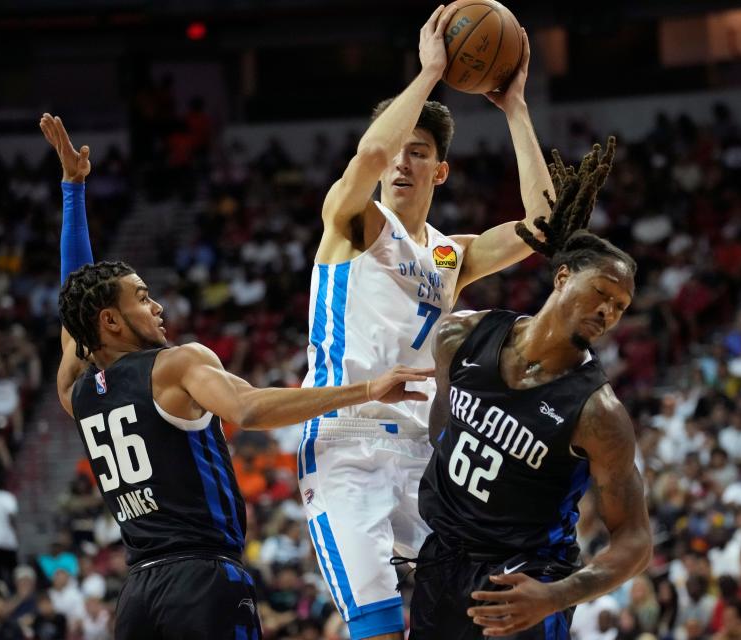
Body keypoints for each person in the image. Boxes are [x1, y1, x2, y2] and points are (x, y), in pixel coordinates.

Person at [40, 113, 431, 640]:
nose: (158, 307)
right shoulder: (176, 365)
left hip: (136, 597)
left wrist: (73, 190)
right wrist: (365, 388)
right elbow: (247, 410)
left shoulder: (77, 394)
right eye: (142, 297)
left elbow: (76, 315)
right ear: (109, 321)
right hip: (202, 580)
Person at [297, 6, 557, 638]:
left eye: (420, 154)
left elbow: (547, 227)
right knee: (382, 628)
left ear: (440, 171)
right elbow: (369, 151)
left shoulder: (449, 254)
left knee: (471, 617)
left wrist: (515, 109)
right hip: (346, 443)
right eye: (398, 152)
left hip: (425, 455)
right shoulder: (353, 223)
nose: (402, 164)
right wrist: (430, 73)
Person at [407, 143, 653, 638]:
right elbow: (442, 430)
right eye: (601, 293)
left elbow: (636, 540)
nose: (608, 312)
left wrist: (556, 596)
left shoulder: (598, 412)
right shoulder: (461, 336)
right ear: (562, 277)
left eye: (620, 307)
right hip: (442, 565)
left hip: (524, 580)